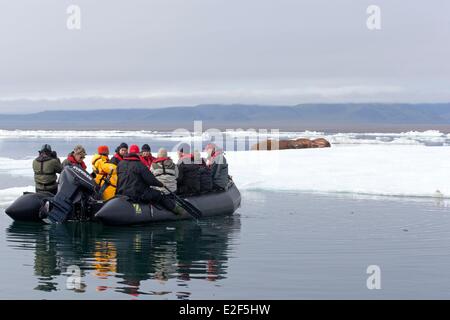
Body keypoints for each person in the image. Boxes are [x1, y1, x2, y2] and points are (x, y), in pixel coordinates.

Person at [116, 145, 186, 215]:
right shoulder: (140, 165)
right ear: (138, 153)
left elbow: (118, 179)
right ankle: (177, 210)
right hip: (138, 194)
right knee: (160, 195)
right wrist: (160, 184)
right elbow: (151, 180)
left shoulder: (120, 164)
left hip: (122, 193)